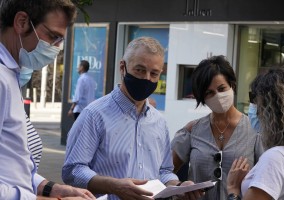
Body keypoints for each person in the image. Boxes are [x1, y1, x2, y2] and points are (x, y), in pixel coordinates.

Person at [62, 37, 204, 200]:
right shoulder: (94, 115)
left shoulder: (159, 121)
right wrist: (114, 186)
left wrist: (178, 186)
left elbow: (163, 171)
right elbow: (72, 170)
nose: (147, 78)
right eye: (140, 70)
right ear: (123, 67)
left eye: (154, 73)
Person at [0, 0, 95, 199]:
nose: (56, 48)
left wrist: (50, 188)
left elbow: (12, 163)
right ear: (21, 22)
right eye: (53, 37)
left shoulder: (11, 74)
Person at [171, 55, 264, 200]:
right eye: (209, 93)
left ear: (232, 85)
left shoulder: (254, 131)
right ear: (202, 97)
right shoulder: (192, 130)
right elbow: (166, 171)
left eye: (222, 88)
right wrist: (179, 188)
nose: (218, 96)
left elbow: (265, 180)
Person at [227, 67, 284, 200]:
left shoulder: (276, 158)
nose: (252, 109)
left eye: (255, 101)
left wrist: (233, 190)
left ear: (270, 111)